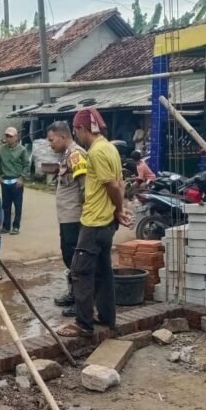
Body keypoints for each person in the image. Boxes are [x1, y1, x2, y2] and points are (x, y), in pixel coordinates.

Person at [56, 109, 131, 338]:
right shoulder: (110, 148)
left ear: (81, 129)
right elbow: (120, 182)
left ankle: (83, 324)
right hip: (105, 221)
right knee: (102, 271)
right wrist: (118, 210)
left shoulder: (97, 152)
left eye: (76, 130)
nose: (76, 135)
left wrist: (119, 209)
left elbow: (112, 186)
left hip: (95, 221)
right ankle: (107, 317)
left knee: (80, 272)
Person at [47, 121, 87, 317]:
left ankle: (83, 303)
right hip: (66, 217)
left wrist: (86, 217)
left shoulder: (76, 155)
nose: (50, 144)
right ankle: (74, 294)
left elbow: (85, 188)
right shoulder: (66, 155)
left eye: (51, 140)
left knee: (75, 260)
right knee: (69, 258)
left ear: (63, 137)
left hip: (75, 217)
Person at [0, 126, 29, 235]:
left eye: (10, 136)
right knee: (6, 205)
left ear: (16, 137)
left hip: (17, 182)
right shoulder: (1, 149)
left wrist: (22, 178)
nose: (8, 138)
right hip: (5, 181)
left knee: (18, 205)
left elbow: (26, 165)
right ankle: (6, 226)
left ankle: (16, 226)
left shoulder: (22, 150)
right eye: (7, 136)